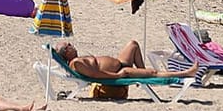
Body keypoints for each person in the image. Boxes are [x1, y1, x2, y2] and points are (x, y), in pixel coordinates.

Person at [54, 41, 198, 80]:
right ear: (67, 52)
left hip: (120, 63)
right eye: (69, 45)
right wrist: (117, 76)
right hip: (120, 71)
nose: (73, 45)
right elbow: (96, 75)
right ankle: (186, 73)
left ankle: (142, 73)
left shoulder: (78, 60)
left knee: (133, 44)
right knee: (153, 72)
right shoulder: (76, 63)